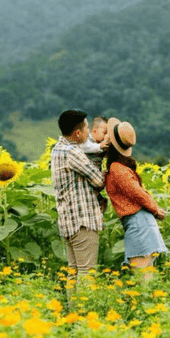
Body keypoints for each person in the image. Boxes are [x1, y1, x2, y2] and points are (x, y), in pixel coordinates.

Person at [103, 118, 168, 280]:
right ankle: (149, 303)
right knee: (144, 272)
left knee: (142, 273)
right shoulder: (117, 168)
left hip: (138, 222)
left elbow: (137, 192)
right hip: (138, 221)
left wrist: (155, 209)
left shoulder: (117, 169)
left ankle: (147, 304)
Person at [50, 110, 106, 288]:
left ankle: (74, 313)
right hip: (82, 221)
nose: (89, 132)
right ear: (78, 133)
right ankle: (85, 313)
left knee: (73, 272)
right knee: (86, 273)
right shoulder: (72, 152)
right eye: (87, 128)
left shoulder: (57, 150)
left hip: (68, 221)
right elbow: (98, 181)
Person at [79, 115, 110, 213]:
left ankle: (99, 200)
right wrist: (100, 146)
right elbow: (86, 147)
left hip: (96, 175)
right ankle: (99, 200)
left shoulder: (102, 143)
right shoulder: (87, 140)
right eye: (104, 132)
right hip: (86, 174)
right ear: (94, 131)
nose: (106, 136)